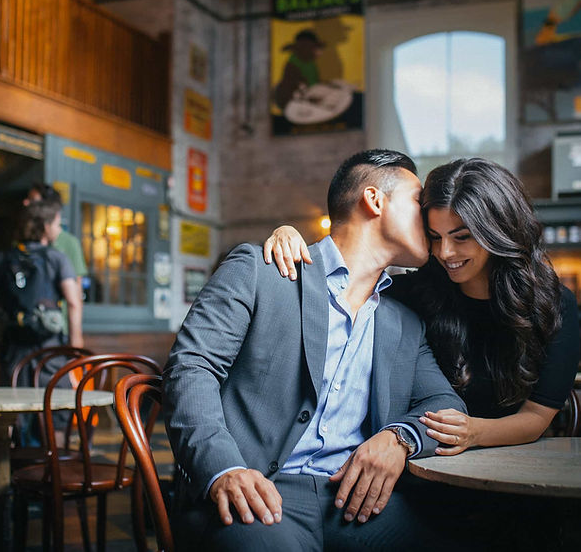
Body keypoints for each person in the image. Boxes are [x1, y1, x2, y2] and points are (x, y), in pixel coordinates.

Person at [164, 149, 466, 551]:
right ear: (374, 200)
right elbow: (191, 368)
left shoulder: (403, 322)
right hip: (256, 494)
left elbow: (446, 403)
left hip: (354, 502)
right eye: (417, 200)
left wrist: (400, 438)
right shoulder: (260, 270)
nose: (428, 214)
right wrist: (224, 469)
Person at [264, 157, 579, 455]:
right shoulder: (410, 294)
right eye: (434, 236)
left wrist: (473, 432)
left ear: (496, 232)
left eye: (462, 237)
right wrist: (289, 236)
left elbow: (537, 418)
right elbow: (338, 289)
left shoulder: (551, 303)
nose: (446, 252)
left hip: (507, 456)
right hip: (419, 456)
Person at [0, 200, 83, 446]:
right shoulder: (57, 258)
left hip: (14, 349)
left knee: (11, 412)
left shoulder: (4, 258)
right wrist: (75, 346)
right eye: (58, 224)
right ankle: (54, 472)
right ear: (45, 227)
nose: (59, 229)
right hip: (50, 351)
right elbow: (73, 302)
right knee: (56, 412)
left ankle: (9, 473)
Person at [24, 182, 86, 337]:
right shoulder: (22, 243)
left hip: (58, 329)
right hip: (27, 329)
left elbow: (76, 296)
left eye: (32, 200)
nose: (26, 203)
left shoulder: (69, 243)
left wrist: (75, 338)